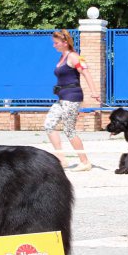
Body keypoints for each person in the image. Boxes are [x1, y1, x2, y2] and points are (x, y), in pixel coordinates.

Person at [43, 29, 100, 171]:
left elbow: (85, 73)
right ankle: (61, 159)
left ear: (64, 43)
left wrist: (94, 92)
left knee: (69, 129)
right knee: (49, 125)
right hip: (62, 97)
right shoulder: (62, 57)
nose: (54, 45)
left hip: (72, 97)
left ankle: (84, 162)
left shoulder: (74, 57)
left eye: (56, 43)